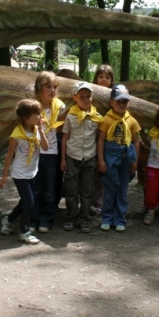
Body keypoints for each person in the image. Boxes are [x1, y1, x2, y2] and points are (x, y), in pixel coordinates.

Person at [0, 99, 49, 244]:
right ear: (27, 117)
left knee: (26, 201)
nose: (40, 116)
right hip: (20, 173)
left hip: (32, 171)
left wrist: (41, 130)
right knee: (30, 202)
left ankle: (8, 220)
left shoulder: (36, 130)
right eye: (37, 114)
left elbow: (45, 147)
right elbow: (9, 155)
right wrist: (4, 175)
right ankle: (24, 231)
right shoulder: (17, 134)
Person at [97, 84, 141, 232]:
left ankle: (120, 219)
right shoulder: (106, 119)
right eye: (119, 101)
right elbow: (101, 140)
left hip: (125, 159)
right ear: (112, 102)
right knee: (109, 190)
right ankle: (107, 218)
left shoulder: (132, 121)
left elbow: (136, 141)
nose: (122, 105)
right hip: (110, 158)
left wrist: (135, 160)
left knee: (122, 190)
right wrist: (101, 160)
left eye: (125, 102)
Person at [61, 81, 103, 233]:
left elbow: (99, 139)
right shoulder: (70, 116)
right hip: (72, 157)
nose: (85, 99)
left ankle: (84, 218)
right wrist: (63, 159)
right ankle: (71, 217)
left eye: (88, 96)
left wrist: (99, 159)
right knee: (71, 189)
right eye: (82, 96)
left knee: (87, 190)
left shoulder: (97, 117)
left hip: (89, 157)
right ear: (75, 98)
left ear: (92, 98)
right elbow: (65, 137)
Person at [33, 71, 66, 233]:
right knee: (35, 187)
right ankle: (33, 217)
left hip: (51, 153)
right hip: (33, 154)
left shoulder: (60, 107)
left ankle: (46, 218)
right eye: (48, 87)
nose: (52, 90)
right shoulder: (33, 106)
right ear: (39, 88)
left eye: (54, 87)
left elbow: (61, 130)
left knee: (49, 188)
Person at [91, 64, 115, 215]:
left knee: (105, 171)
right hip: (92, 137)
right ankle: (92, 202)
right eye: (101, 77)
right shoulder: (90, 93)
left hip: (109, 140)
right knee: (93, 173)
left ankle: (102, 202)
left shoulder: (115, 96)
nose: (104, 80)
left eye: (107, 77)